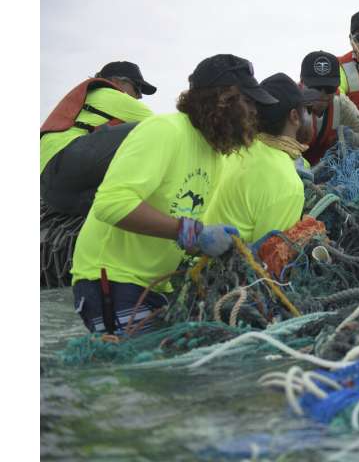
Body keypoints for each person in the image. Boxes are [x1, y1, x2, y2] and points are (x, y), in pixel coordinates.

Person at [70, 54, 278, 337]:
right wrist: (191, 232)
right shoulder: (164, 131)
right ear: (223, 100)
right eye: (250, 104)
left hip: (155, 286)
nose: (255, 115)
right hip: (111, 280)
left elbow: (179, 225)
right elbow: (112, 204)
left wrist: (211, 245)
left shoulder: (213, 156)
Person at [204, 72, 310, 245]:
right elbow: (269, 261)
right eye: (306, 111)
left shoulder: (233, 150)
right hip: (218, 269)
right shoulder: (288, 183)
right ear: (294, 117)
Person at [40, 61, 157, 215]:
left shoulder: (92, 99)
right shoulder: (110, 95)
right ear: (117, 82)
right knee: (153, 132)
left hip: (56, 191)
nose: (140, 96)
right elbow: (165, 128)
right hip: (64, 162)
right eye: (137, 88)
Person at [299, 50, 359, 165]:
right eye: (315, 88)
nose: (322, 93)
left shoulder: (340, 103)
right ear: (302, 83)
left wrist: (353, 138)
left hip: (326, 171)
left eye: (329, 88)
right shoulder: (289, 104)